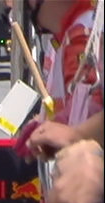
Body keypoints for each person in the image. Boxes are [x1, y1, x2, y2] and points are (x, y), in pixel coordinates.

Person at [23, 0, 103, 158]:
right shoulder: (72, 35)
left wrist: (76, 135)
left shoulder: (85, 33)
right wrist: (54, 126)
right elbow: (78, 108)